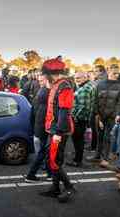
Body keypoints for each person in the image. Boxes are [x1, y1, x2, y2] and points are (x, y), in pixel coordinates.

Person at [39, 58, 76, 203]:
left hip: (58, 131)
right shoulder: (56, 84)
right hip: (53, 129)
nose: (43, 76)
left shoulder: (64, 86)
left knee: (55, 161)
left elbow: (64, 112)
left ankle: (68, 187)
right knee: (51, 159)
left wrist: (58, 134)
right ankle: (55, 189)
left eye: (45, 74)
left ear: (50, 73)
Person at [91, 64, 120, 166]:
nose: (116, 75)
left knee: (108, 137)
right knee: (99, 136)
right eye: (114, 73)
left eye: (117, 73)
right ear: (109, 71)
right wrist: (97, 114)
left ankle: (105, 159)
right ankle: (97, 156)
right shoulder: (100, 84)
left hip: (112, 116)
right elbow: (95, 99)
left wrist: (117, 114)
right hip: (100, 115)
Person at [25, 74, 51, 182]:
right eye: (39, 81)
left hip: (39, 127)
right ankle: (32, 175)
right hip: (44, 128)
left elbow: (33, 113)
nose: (40, 83)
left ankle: (49, 174)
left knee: (44, 151)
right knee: (45, 152)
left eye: (41, 81)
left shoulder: (39, 93)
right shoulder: (46, 93)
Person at [66, 72, 95, 167]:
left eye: (79, 78)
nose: (76, 80)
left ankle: (77, 161)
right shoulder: (89, 85)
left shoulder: (84, 89)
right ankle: (78, 158)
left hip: (79, 119)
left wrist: (74, 116)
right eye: (75, 78)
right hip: (83, 118)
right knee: (79, 140)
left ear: (85, 77)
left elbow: (83, 107)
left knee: (77, 139)